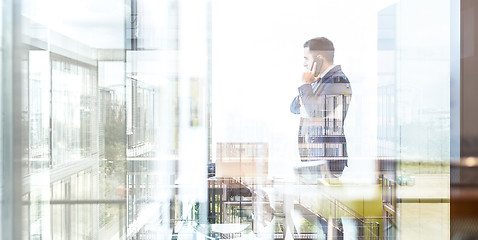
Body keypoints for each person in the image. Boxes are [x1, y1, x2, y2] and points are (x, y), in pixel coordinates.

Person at [290, 37, 352, 178]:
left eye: (307, 59)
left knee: (326, 199)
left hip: (327, 160)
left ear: (319, 58)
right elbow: (293, 107)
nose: (304, 64)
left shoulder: (338, 80)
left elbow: (317, 112)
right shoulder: (318, 80)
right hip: (315, 158)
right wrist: (309, 87)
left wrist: (306, 85)